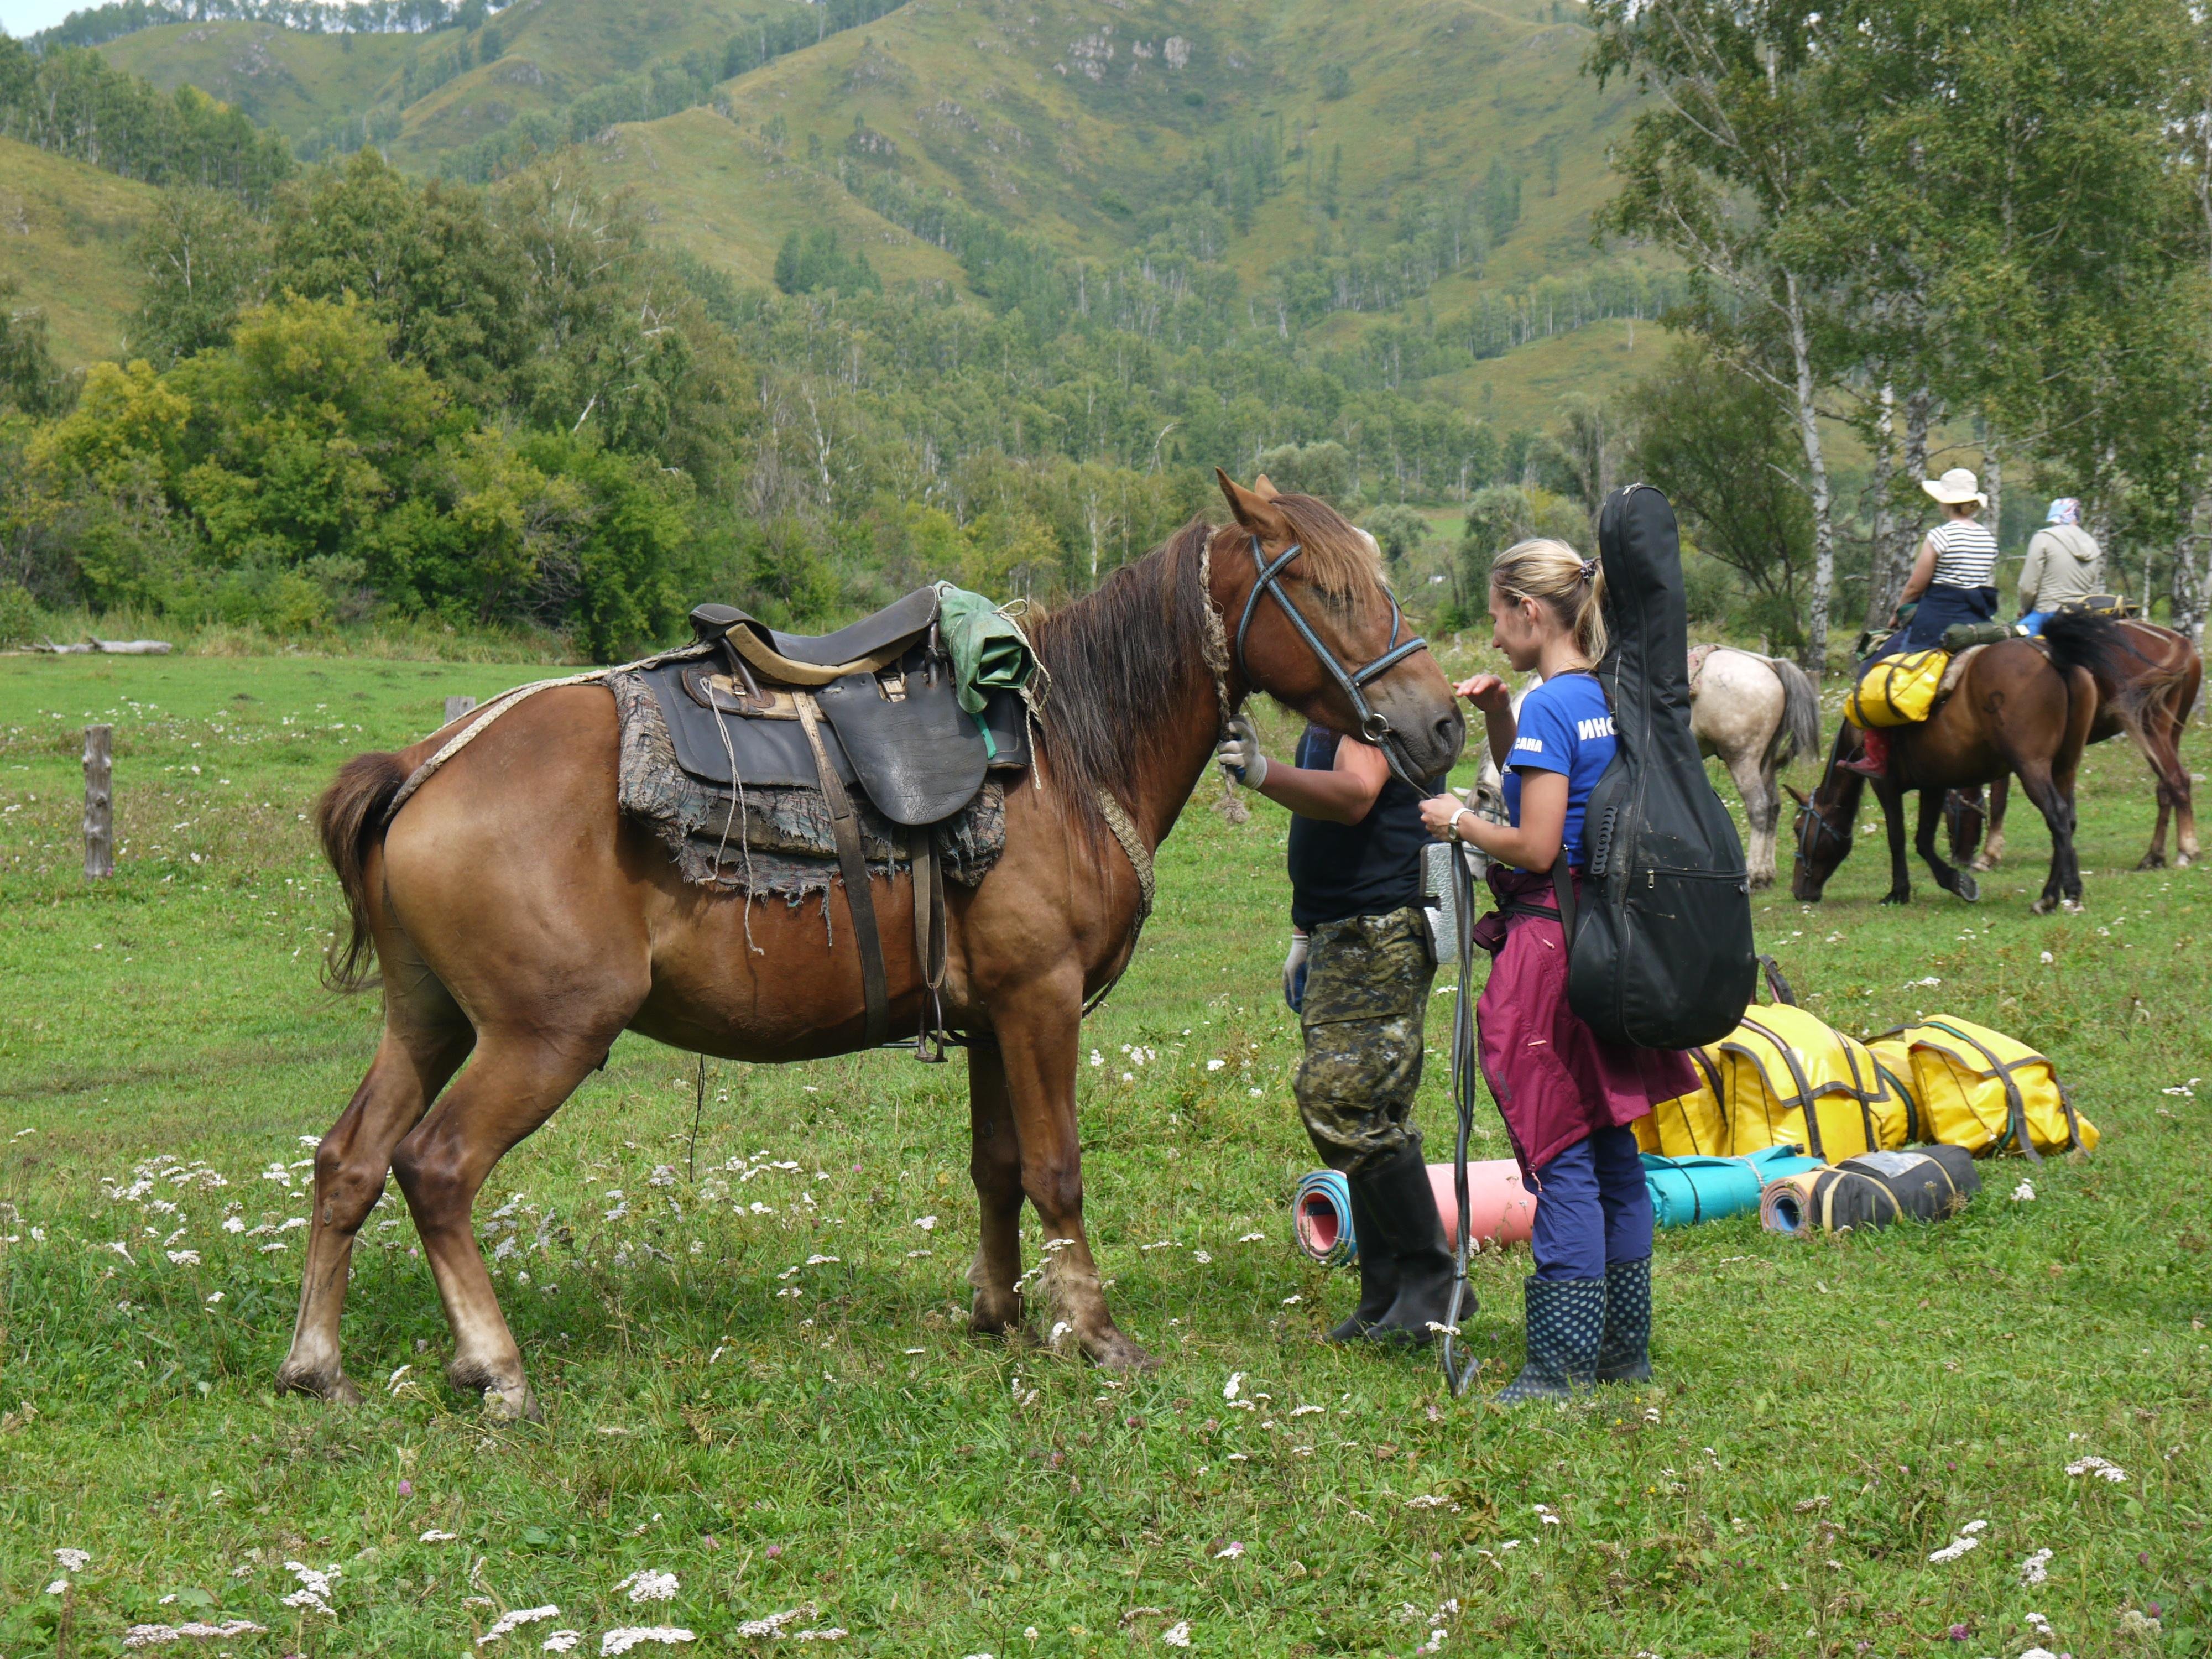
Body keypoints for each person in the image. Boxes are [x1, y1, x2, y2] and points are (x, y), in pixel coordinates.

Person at [1416, 538, 1695, 1402]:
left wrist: (1458, 821)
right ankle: (1624, 1350)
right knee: (1611, 1146)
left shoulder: (1550, 707)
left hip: (1548, 953)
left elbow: (1537, 843)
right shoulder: (1610, 698)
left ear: (1530, 613)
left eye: (1498, 616)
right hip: (1614, 946)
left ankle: (1559, 1363)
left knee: (1561, 1153)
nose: (1494, 634)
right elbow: (1572, 796)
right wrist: (1502, 719)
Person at [1213, 709, 1456, 1348]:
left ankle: (1434, 1278)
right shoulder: (1326, 716)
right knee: (1371, 1109)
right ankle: (1385, 1293)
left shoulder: (1368, 714)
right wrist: (1302, 933)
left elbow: (1353, 799)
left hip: (1378, 927)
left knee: (1338, 1100)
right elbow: (1321, 836)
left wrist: (1263, 773)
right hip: (1337, 930)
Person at [1843, 466, 2002, 778]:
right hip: (1978, 619)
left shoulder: (1940, 535)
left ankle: (1876, 756)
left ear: (1946, 502)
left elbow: (1917, 585)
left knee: (1876, 667)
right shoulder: (1987, 538)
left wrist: (1897, 612)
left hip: (1938, 618)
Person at [2017, 498, 2104, 635]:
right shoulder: (2092, 543)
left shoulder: (2043, 538)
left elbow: (2028, 587)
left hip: (2045, 613)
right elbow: (2094, 587)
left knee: (2014, 644)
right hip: (2080, 617)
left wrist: (2025, 609)